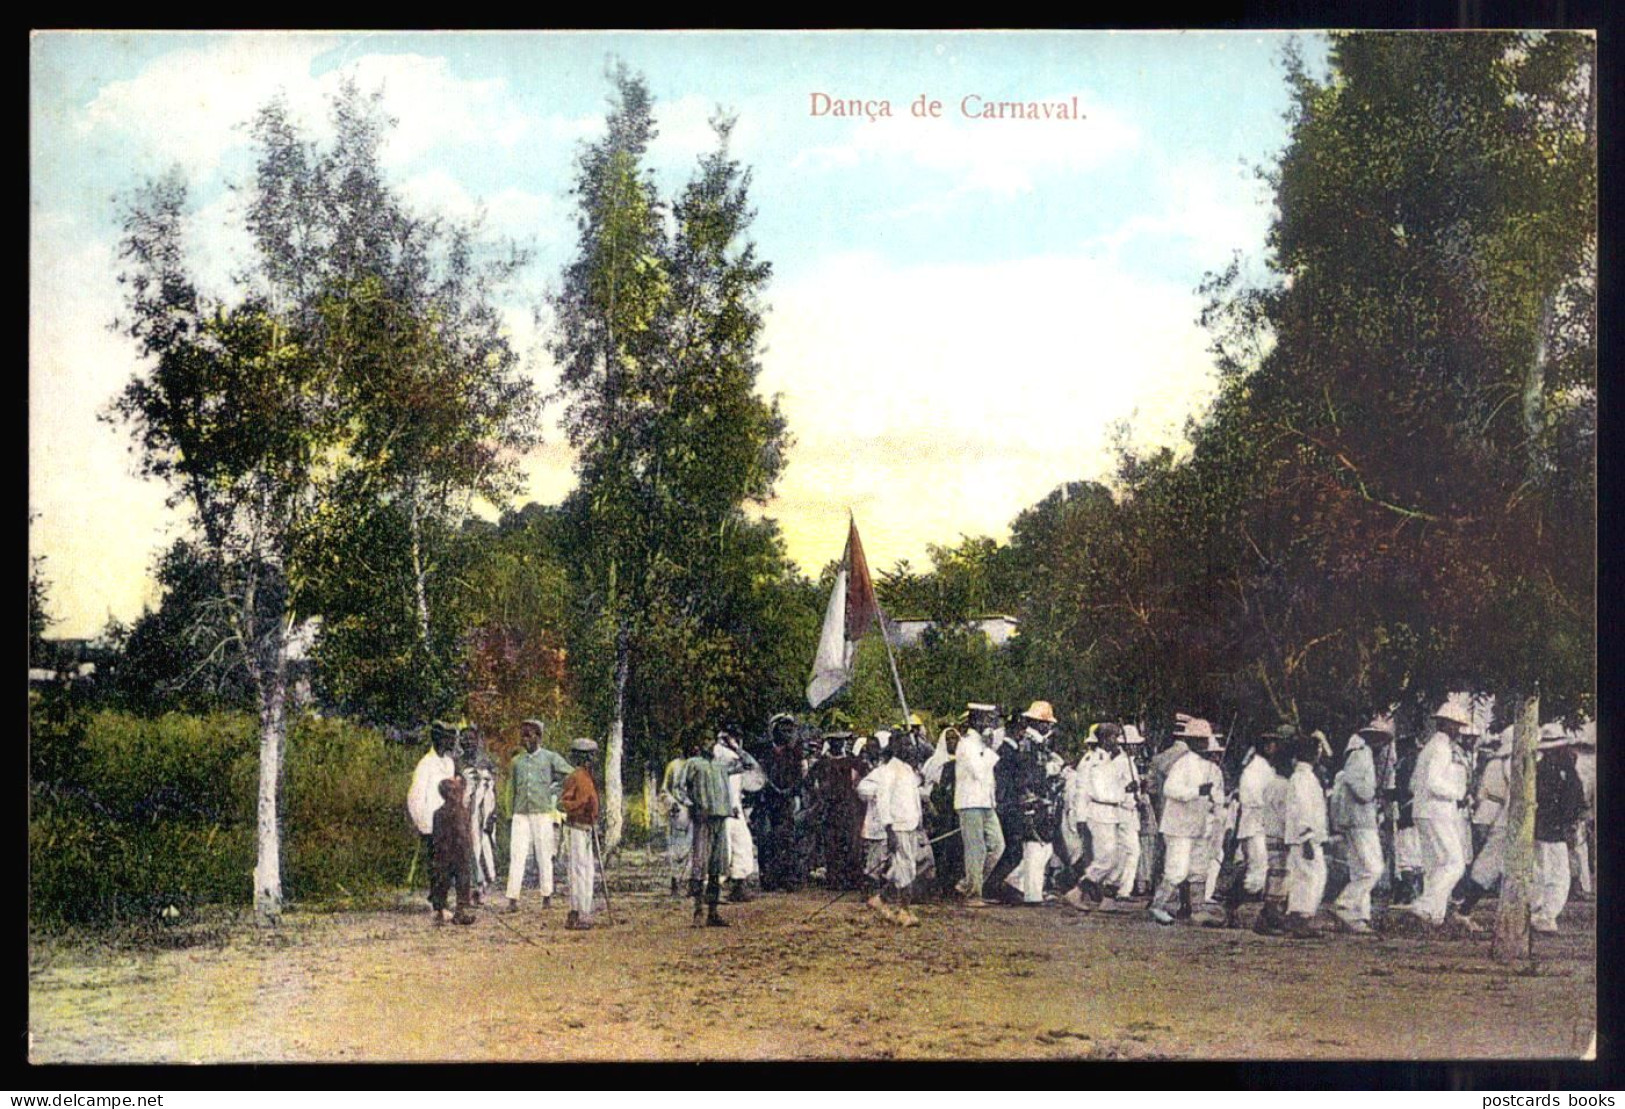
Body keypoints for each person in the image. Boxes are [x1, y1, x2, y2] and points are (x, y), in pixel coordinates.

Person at [1405, 697, 1474, 928]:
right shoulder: (1442, 748)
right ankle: (1425, 906)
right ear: (1445, 724)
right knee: (1455, 864)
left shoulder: (1429, 748)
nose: (1458, 730)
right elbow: (1434, 782)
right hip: (1437, 810)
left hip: (1425, 809)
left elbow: (1414, 783)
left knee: (1436, 865)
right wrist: (1457, 793)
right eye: (1455, 725)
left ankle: (1435, 915)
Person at [1149, 716, 1225, 927]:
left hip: (1200, 825)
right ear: (1190, 741)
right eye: (1198, 740)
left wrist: (1213, 802)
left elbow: (1218, 797)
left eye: (1204, 740)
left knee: (1199, 868)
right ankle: (1158, 905)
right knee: (1177, 869)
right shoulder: (1182, 763)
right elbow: (1170, 789)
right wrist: (1196, 792)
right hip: (1179, 826)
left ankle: (1198, 910)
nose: (1202, 744)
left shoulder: (1212, 769)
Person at [504, 719, 575, 912]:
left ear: (539, 737)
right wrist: (509, 812)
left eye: (529, 734)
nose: (525, 739)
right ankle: (513, 898)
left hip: (543, 813)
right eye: (523, 735)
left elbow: (570, 774)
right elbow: (510, 789)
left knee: (544, 854)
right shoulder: (517, 761)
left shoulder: (550, 757)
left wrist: (555, 789)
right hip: (521, 814)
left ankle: (546, 896)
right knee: (517, 854)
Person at [1329, 714, 1391, 934]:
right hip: (1360, 819)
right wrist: (1371, 795)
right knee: (1374, 869)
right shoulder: (1360, 755)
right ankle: (1345, 903)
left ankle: (1358, 916)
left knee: (1359, 869)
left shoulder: (1363, 755)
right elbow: (1356, 784)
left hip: (1359, 818)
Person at [1066, 723, 1128, 911]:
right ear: (1103, 739)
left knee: (1121, 854)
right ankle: (1077, 891)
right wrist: (1080, 818)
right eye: (1112, 737)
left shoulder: (1115, 760)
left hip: (1114, 811)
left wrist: (1127, 788)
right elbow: (1082, 790)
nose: (1116, 741)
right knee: (1106, 857)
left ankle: (1108, 898)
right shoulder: (1090, 760)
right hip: (1098, 812)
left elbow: (1117, 785)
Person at [1532, 724, 1587, 933]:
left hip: (1545, 827)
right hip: (1554, 829)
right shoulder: (1563, 771)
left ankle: (1539, 911)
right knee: (1556, 874)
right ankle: (1544, 915)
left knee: (1542, 871)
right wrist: (1571, 822)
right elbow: (1573, 800)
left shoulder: (1541, 769)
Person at [1453, 725, 1510, 922]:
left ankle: (1465, 904)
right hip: (1499, 815)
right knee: (1486, 863)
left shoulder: (1496, 763)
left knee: (1487, 862)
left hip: (1496, 814)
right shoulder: (1503, 764)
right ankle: (1464, 907)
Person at [954, 704, 1005, 907]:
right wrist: (990, 750)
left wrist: (988, 748)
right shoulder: (966, 744)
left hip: (985, 802)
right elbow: (978, 771)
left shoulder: (982, 745)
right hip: (969, 802)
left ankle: (969, 884)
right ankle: (973, 893)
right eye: (986, 720)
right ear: (976, 721)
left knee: (997, 845)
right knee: (976, 849)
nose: (990, 724)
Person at [873, 735, 926, 926]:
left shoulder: (908, 770)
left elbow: (913, 799)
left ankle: (881, 899)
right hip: (898, 826)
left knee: (903, 868)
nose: (909, 748)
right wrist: (889, 828)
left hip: (911, 825)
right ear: (895, 747)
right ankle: (904, 910)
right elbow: (883, 801)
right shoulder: (889, 771)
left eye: (910, 744)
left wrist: (919, 820)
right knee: (906, 868)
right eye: (905, 744)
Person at [682, 737, 734, 927]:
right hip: (703, 819)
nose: (708, 744)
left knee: (717, 866)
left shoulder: (722, 764)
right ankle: (698, 911)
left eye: (712, 741)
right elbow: (680, 789)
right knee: (699, 865)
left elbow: (748, 765)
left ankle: (713, 912)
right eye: (705, 740)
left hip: (721, 818)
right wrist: (693, 806)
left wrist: (734, 746)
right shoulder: (693, 764)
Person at [1284, 733, 1330, 938]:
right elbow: (1302, 810)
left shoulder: (1306, 776)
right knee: (1310, 877)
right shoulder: (1302, 778)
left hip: (1308, 837)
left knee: (1308, 877)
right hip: (1305, 838)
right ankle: (1301, 919)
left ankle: (1300, 917)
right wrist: (1307, 838)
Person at [407, 722, 459, 903]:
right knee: (437, 864)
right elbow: (415, 797)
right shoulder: (425, 764)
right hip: (432, 823)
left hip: (449, 822)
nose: (452, 742)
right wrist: (423, 824)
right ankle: (439, 902)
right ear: (438, 739)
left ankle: (439, 897)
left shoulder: (449, 763)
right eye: (448, 738)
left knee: (450, 863)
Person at [713, 729, 763, 902]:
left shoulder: (733, 754)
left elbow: (754, 776)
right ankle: (714, 891)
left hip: (734, 807)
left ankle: (738, 887)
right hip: (721, 809)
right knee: (722, 849)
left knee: (742, 844)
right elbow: (749, 765)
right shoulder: (720, 753)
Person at [558, 738, 601, 931]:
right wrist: (580, 807)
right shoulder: (575, 777)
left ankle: (585, 910)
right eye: (589, 756)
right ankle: (575, 913)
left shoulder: (588, 777)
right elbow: (564, 803)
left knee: (587, 871)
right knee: (577, 871)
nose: (592, 759)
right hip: (575, 828)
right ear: (582, 757)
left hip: (587, 829)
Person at [429, 777, 477, 926]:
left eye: (456, 791)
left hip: (456, 853)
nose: (455, 794)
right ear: (445, 794)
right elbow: (439, 837)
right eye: (451, 791)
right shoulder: (443, 813)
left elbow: (466, 832)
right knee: (445, 881)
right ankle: (442, 909)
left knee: (462, 882)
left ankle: (459, 911)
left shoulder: (460, 811)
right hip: (449, 853)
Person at [460, 727, 499, 904]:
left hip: (484, 813)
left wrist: (493, 815)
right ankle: (471, 888)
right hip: (466, 812)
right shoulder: (457, 763)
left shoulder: (486, 762)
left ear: (477, 740)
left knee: (483, 846)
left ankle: (482, 888)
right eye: (464, 739)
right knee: (468, 848)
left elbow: (493, 791)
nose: (468, 742)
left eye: (471, 739)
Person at [660, 748, 693, 897]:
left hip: (695, 809)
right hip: (678, 809)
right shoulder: (674, 765)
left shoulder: (696, 764)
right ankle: (675, 882)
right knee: (676, 847)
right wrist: (672, 803)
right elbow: (664, 789)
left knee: (692, 848)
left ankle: (690, 883)